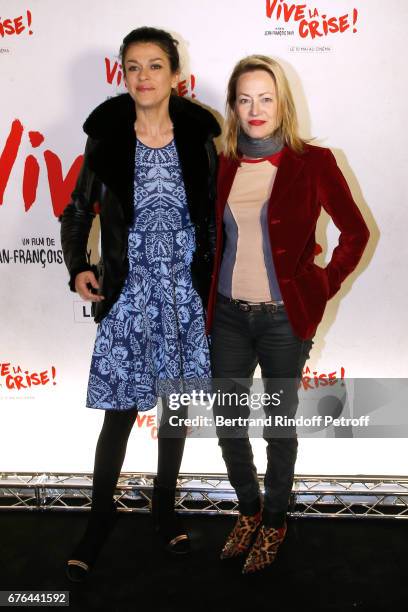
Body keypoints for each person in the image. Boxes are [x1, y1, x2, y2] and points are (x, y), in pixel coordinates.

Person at [60, 26, 220, 582]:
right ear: (121, 74)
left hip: (181, 295)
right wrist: (78, 264)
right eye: (134, 67)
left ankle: (164, 512)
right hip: (128, 297)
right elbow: (77, 209)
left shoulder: (199, 137)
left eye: (155, 66)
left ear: (175, 74)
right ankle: (97, 520)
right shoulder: (107, 137)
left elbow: (217, 219)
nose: (144, 76)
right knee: (118, 419)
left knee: (174, 416)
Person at [206, 55, 370, 574]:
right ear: (233, 106)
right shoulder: (221, 161)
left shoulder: (314, 162)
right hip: (228, 317)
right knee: (229, 424)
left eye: (266, 98)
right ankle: (249, 511)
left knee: (278, 426)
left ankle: (275, 520)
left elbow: (356, 233)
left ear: (283, 104)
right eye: (244, 99)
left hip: (283, 320)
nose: (255, 109)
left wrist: (320, 285)